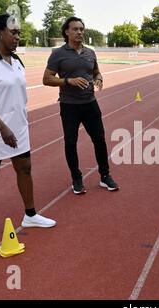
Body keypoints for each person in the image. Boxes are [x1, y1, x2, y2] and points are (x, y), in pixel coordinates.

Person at [0, 14, 56, 248]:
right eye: (13, 32)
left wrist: (6, 119)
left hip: (18, 125)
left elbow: (4, 92)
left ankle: (30, 215)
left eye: (19, 33)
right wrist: (1, 126)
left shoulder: (17, 60)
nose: (18, 36)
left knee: (25, 168)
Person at [43, 17, 118, 194]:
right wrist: (68, 81)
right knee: (70, 143)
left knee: (99, 140)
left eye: (82, 29)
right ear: (67, 32)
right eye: (75, 29)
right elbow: (46, 79)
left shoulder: (91, 53)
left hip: (90, 103)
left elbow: (96, 72)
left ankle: (105, 176)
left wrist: (99, 78)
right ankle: (76, 179)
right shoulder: (58, 54)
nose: (80, 32)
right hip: (69, 106)